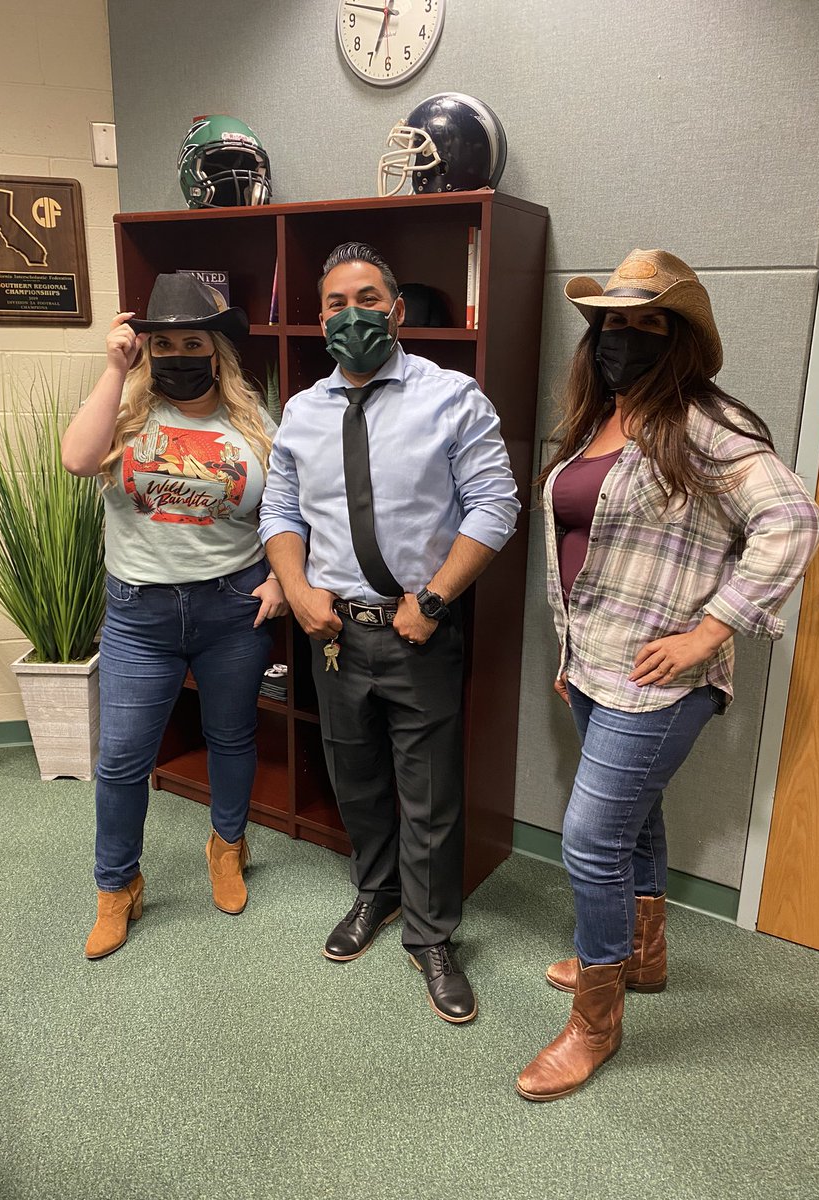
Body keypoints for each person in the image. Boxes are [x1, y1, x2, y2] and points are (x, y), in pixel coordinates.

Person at [516, 249, 819, 1101]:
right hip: (597, 666)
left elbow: (793, 520)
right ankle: (642, 955)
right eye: (612, 323)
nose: (623, 337)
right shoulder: (600, 416)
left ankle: (595, 1021)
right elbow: (588, 547)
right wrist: (576, 658)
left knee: (589, 839)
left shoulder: (703, 423)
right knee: (634, 818)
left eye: (646, 322)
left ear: (679, 337)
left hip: (660, 681)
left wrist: (711, 630)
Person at [259, 242, 519, 1024]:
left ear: (397, 310)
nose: (352, 315)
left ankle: (431, 935)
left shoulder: (452, 397)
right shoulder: (303, 411)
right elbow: (280, 511)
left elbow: (495, 505)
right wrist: (298, 589)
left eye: (367, 299)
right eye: (336, 304)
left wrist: (433, 601)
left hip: (416, 632)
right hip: (333, 633)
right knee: (356, 777)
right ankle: (375, 892)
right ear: (320, 318)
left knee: (430, 793)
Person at [62, 274, 287, 959]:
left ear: (217, 352)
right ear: (147, 350)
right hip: (140, 617)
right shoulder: (127, 415)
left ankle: (228, 847)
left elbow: (292, 510)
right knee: (122, 760)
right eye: (164, 344)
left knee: (231, 738)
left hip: (232, 608)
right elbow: (76, 460)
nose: (179, 356)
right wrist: (113, 370)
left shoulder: (255, 424)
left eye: (194, 343)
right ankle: (116, 887)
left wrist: (280, 576)